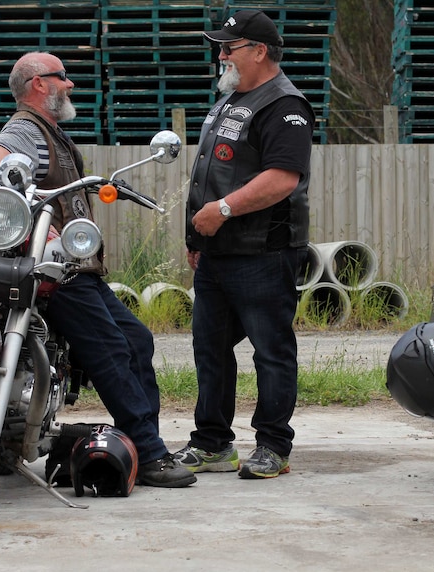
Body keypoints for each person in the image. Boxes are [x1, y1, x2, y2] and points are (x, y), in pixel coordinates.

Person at [0, 51, 195, 488]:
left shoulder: (51, 133)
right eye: (63, 77)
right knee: (111, 350)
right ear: (40, 84)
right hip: (55, 273)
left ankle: (143, 441)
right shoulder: (25, 128)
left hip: (81, 271)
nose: (71, 84)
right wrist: (47, 236)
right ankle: (151, 455)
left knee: (137, 339)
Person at [173, 10, 315, 479]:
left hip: (264, 253)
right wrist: (197, 236)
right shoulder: (231, 98)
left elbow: (282, 178)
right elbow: (210, 174)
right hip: (217, 253)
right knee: (209, 348)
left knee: (271, 349)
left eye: (228, 47)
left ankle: (274, 445)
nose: (220, 55)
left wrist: (224, 211)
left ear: (258, 50)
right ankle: (213, 443)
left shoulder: (285, 105)